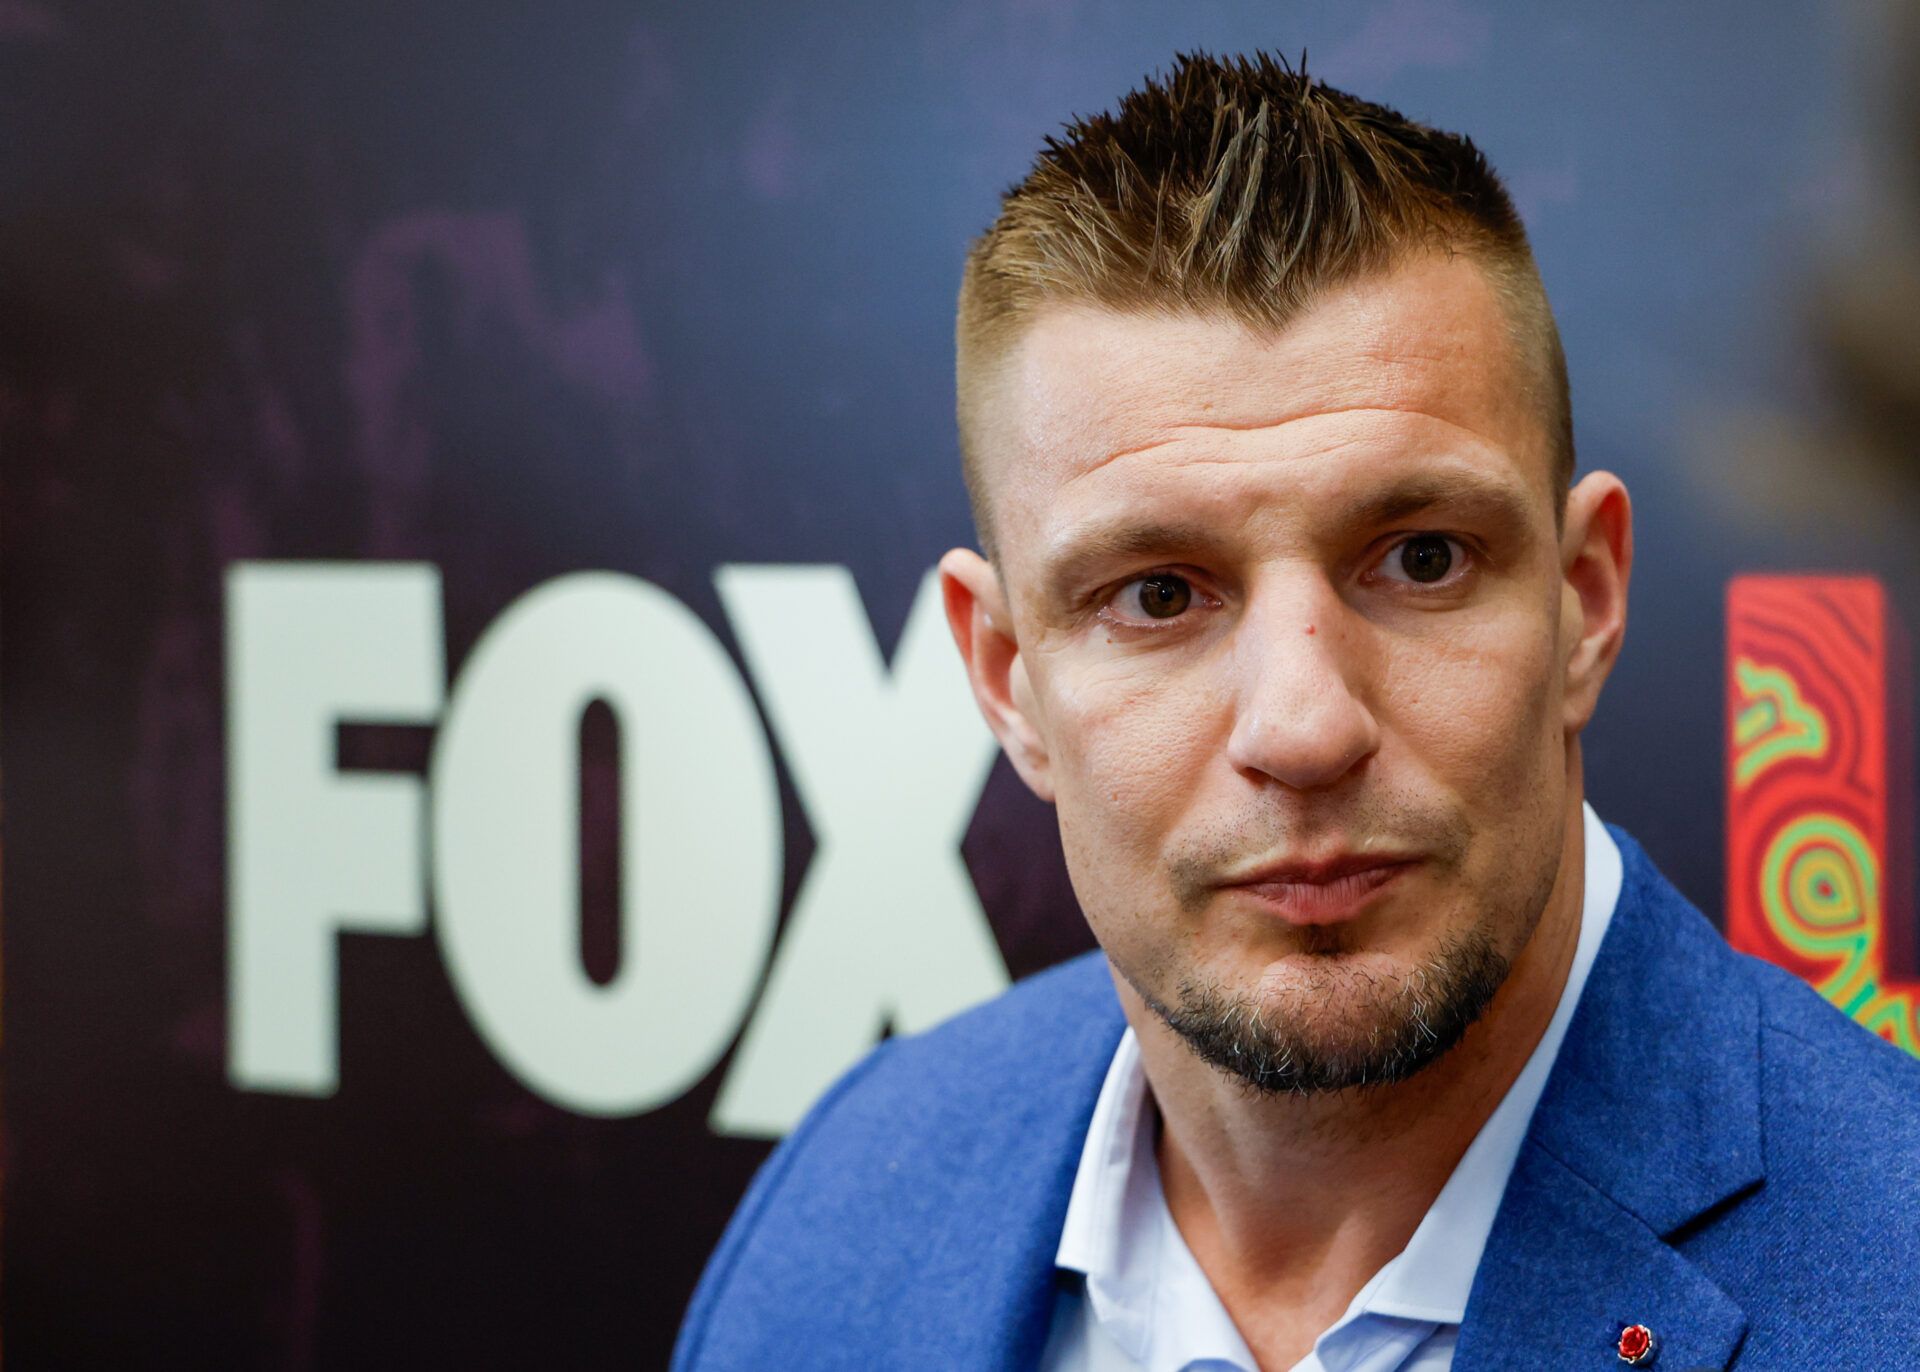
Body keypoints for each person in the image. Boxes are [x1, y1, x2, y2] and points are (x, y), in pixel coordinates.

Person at [671, 52, 1920, 1371]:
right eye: (1159, 593)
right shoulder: (845, 1213)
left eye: (1422, 559)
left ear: (1585, 602)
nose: (1306, 727)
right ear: (1004, 677)